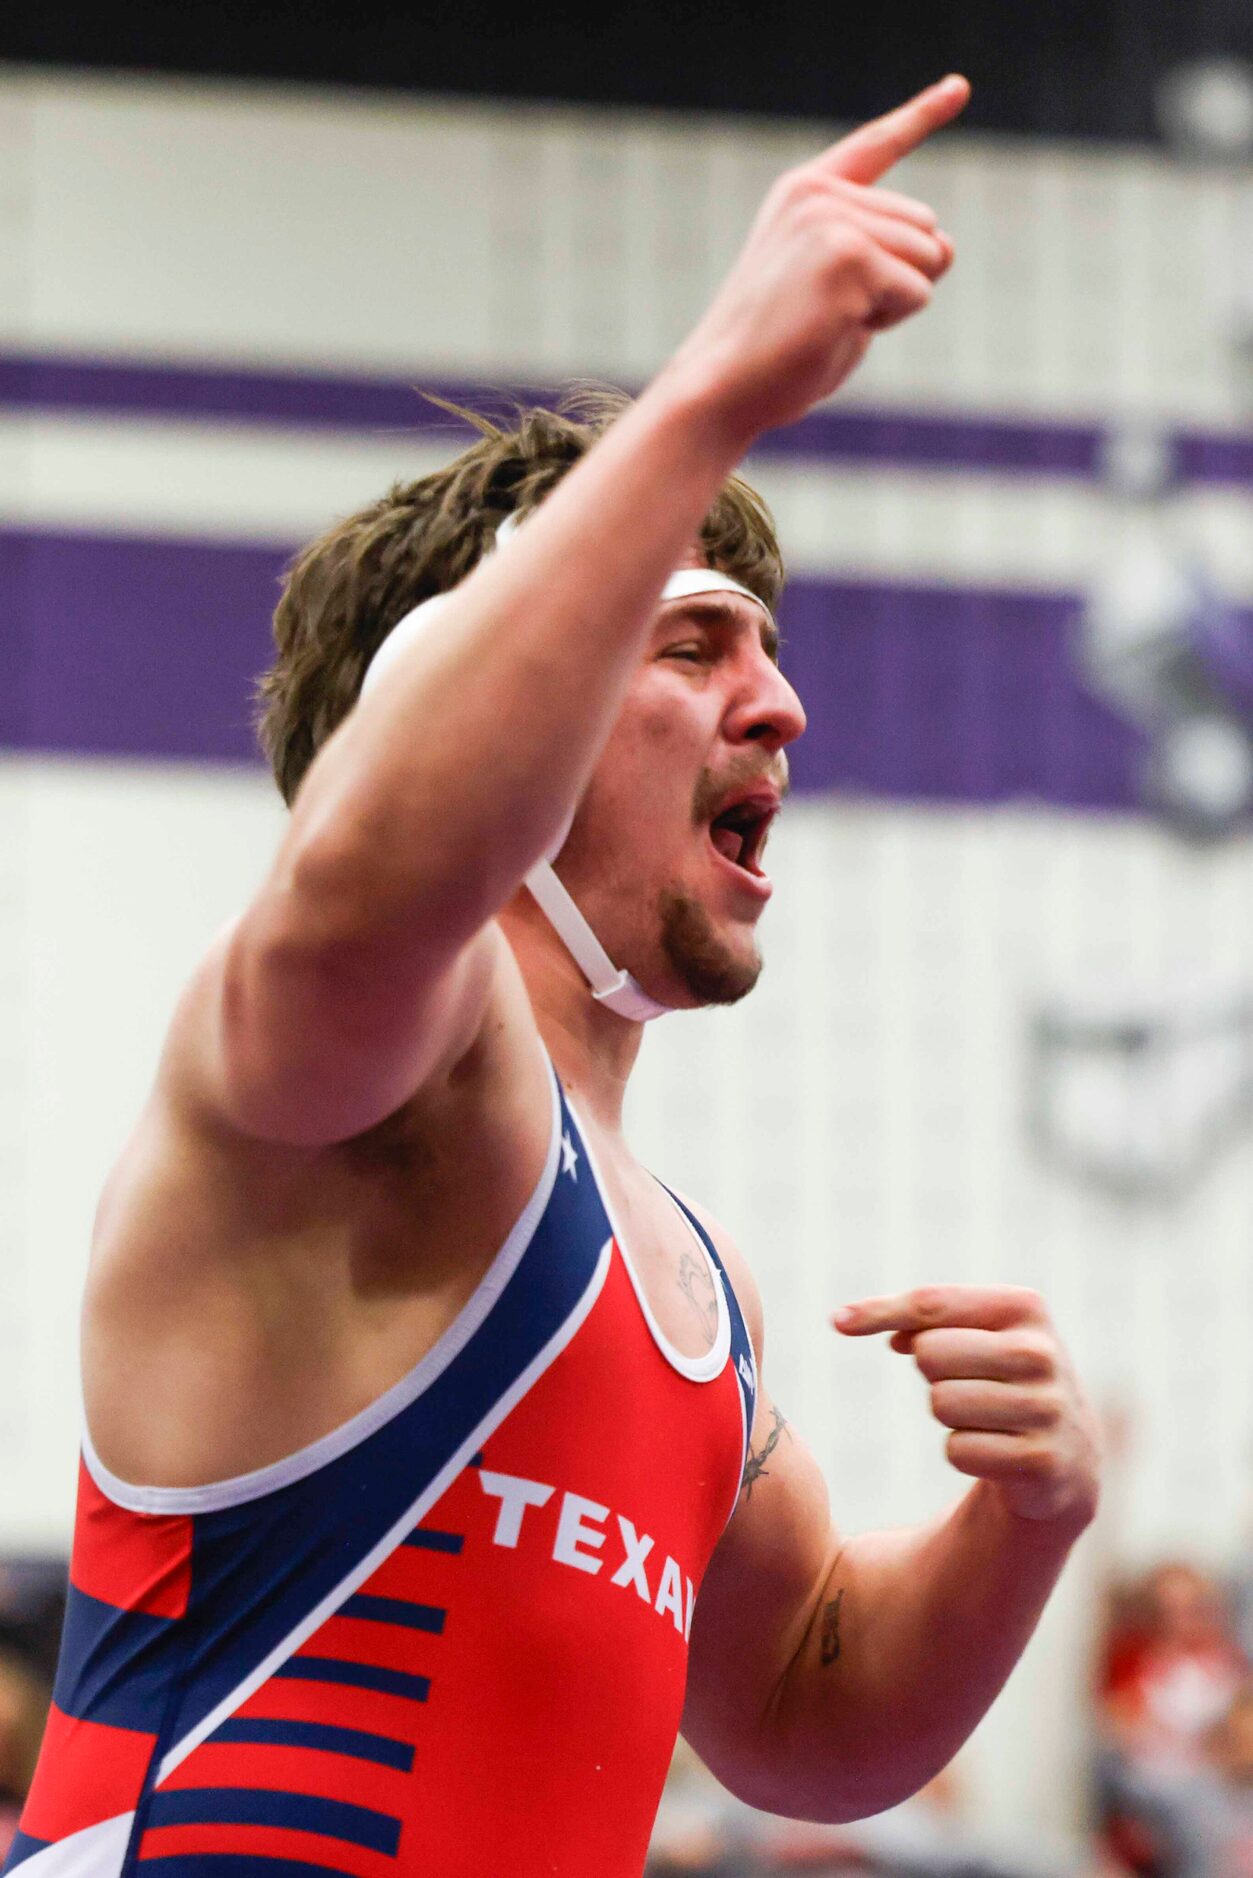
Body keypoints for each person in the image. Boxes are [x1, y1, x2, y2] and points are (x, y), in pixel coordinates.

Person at [8, 73, 1101, 1878]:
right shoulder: (354, 1063)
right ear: (499, 695)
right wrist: (713, 389)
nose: (783, 705)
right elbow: (376, 867)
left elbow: (811, 1720)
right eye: (693, 642)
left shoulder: (695, 1284)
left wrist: (1029, 1515)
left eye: (768, 650)